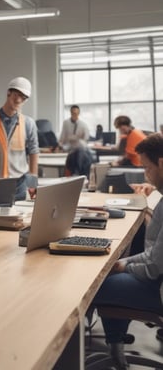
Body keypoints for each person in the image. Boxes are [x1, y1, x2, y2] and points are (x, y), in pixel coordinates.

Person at [91, 133, 163, 369]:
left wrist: (123, 265)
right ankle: (116, 350)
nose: (145, 174)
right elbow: (154, 257)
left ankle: (71, 358)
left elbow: (152, 268)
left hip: (158, 289)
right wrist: (121, 264)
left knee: (90, 285)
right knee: (110, 271)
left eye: (146, 167)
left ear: (161, 163)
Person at [0, 77, 39, 200]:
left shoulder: (28, 123)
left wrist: (32, 183)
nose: (19, 99)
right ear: (9, 92)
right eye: (17, 94)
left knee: (20, 218)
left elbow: (33, 152)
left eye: (24, 97)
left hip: (19, 183)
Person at [58, 105, 93, 177]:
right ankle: (76, 174)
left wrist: (79, 139)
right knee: (75, 155)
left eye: (76, 113)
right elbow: (62, 137)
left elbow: (86, 139)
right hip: (69, 147)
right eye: (73, 113)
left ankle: (77, 173)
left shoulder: (83, 125)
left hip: (80, 147)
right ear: (70, 113)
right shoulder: (66, 123)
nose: (74, 115)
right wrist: (60, 146)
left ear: (78, 113)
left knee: (81, 154)